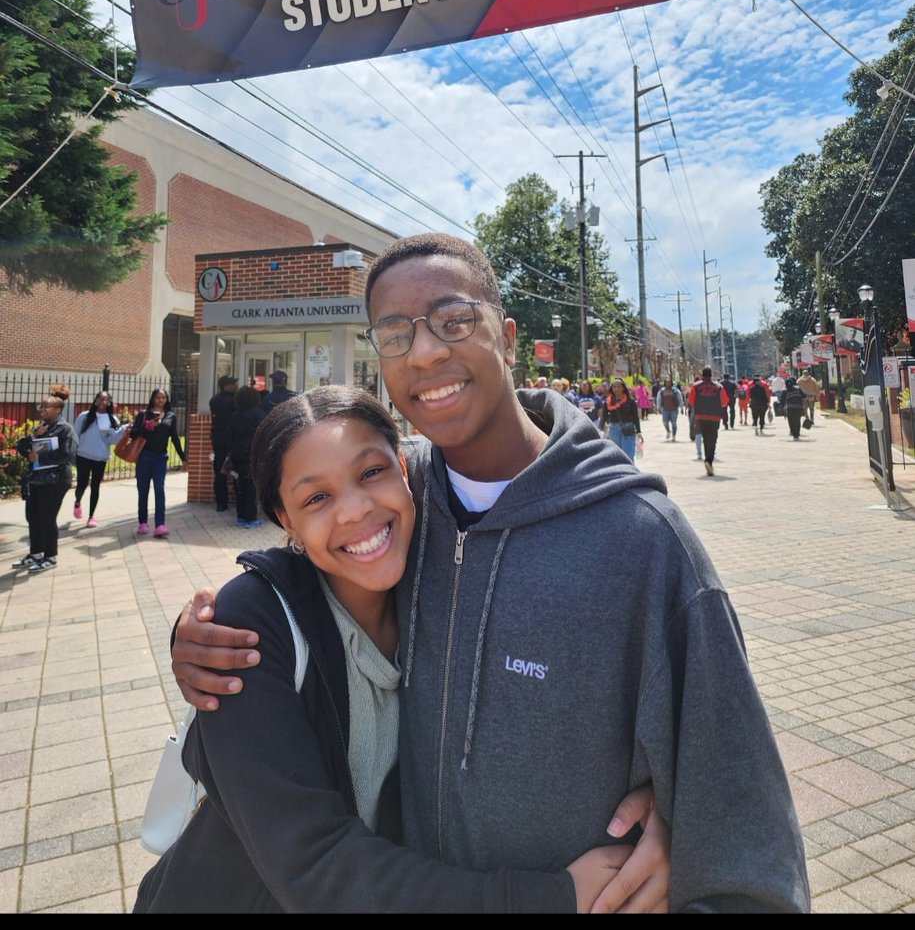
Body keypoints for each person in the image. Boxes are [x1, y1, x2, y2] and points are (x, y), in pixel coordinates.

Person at [171, 233, 810, 913]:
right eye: (395, 333)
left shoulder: (643, 545)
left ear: (506, 337)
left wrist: (683, 816)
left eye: (454, 320)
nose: (425, 351)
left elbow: (744, 840)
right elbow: (302, 557)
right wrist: (201, 632)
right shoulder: (399, 503)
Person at [134, 386, 653, 913]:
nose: (356, 511)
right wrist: (552, 899)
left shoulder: (441, 587)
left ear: (406, 471)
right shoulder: (249, 629)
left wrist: (661, 798)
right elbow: (314, 867)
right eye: (316, 498)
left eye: (371, 473)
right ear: (284, 518)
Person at [12, 393, 76, 573]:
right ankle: (35, 553)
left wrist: (40, 457)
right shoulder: (40, 427)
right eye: (42, 406)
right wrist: (33, 436)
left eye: (47, 406)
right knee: (33, 517)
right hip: (36, 479)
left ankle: (50, 556)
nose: (42, 409)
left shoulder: (65, 429)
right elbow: (21, 447)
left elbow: (66, 454)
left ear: (58, 409)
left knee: (47, 517)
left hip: (56, 479)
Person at [128, 389, 186, 538]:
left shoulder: (170, 416)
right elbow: (133, 434)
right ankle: (143, 522)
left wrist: (183, 457)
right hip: (145, 457)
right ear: (153, 399)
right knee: (143, 490)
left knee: (159, 490)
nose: (161, 400)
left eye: (163, 397)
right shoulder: (144, 414)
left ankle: (160, 525)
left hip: (161, 457)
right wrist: (147, 426)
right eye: (158, 397)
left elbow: (174, 437)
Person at [72, 391, 127, 527]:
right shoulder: (84, 417)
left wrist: (122, 431)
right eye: (100, 399)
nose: (102, 402)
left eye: (106, 400)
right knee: (81, 484)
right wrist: (73, 452)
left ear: (109, 403)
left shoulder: (112, 420)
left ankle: (91, 516)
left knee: (95, 486)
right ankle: (78, 501)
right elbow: (75, 434)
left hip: (100, 458)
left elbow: (113, 440)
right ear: (95, 400)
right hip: (83, 456)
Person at [225, 384, 267, 529]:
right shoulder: (259, 414)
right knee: (251, 488)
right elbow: (264, 434)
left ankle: (241, 516)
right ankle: (251, 518)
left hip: (238, 454)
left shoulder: (235, 415)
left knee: (241, 486)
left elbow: (229, 435)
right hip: (252, 454)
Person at [687, 367, 729, 476]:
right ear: (711, 375)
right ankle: (709, 461)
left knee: (705, 438)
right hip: (714, 416)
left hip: (701, 416)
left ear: (702, 375)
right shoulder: (718, 387)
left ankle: (707, 461)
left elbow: (691, 401)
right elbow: (725, 402)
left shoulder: (696, 386)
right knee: (713, 438)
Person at [209, 375, 238, 512]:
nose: (235, 386)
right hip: (232, 440)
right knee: (236, 471)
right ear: (226, 386)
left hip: (217, 440)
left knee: (219, 473)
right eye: (233, 384)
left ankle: (221, 503)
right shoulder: (234, 401)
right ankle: (239, 502)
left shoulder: (214, 400)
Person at [599, 377, 642, 463]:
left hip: (628, 429)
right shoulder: (608, 401)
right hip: (614, 429)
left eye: (618, 387)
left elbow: (635, 417)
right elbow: (603, 416)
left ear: (623, 388)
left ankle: (629, 472)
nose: (616, 389)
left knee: (628, 454)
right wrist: (600, 429)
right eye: (614, 387)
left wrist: (639, 431)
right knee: (615, 454)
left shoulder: (631, 401)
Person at [783, 376, 805, 441]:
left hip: (790, 408)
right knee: (797, 421)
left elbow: (782, 400)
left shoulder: (785, 390)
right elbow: (804, 396)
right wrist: (802, 404)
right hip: (798, 407)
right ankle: (797, 435)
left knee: (791, 421)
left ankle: (793, 432)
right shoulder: (798, 389)